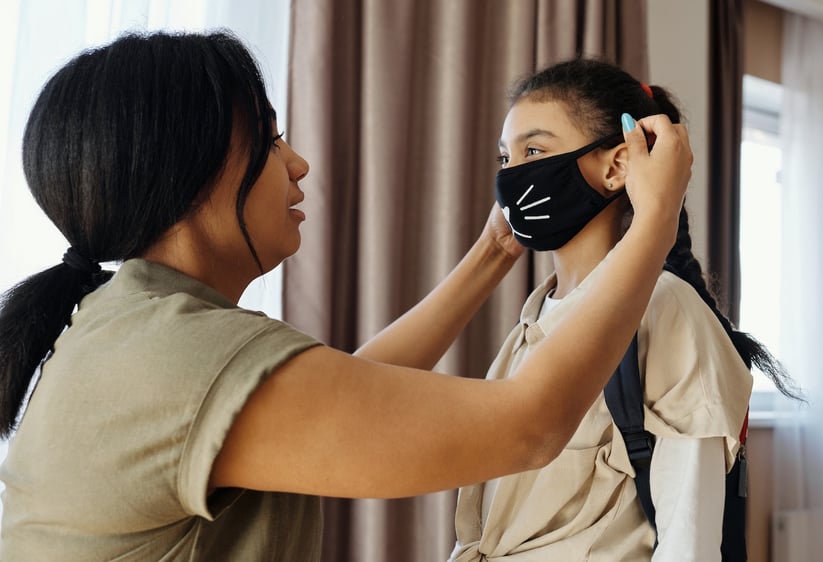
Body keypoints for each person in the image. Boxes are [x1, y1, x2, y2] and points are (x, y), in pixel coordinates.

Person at [0, 32, 692, 560]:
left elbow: (358, 385)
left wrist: (493, 253)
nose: (298, 162)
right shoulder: (174, 357)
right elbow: (531, 424)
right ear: (191, 171)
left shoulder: (131, 328)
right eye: (270, 141)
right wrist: (655, 220)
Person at [448, 59, 799, 562]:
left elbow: (688, 539)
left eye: (534, 150)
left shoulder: (667, 309)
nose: (512, 176)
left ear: (615, 167)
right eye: (505, 157)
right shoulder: (530, 324)